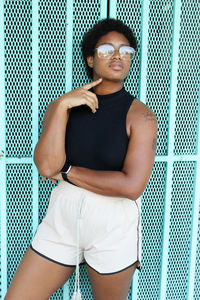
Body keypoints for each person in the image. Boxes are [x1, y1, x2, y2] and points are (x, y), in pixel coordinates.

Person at [5, 18, 157, 300]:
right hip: (62, 217)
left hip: (113, 223)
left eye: (126, 51)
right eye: (106, 49)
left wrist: (67, 171)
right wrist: (62, 106)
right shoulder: (63, 106)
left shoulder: (141, 115)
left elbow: (132, 185)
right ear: (90, 58)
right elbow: (46, 165)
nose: (117, 56)